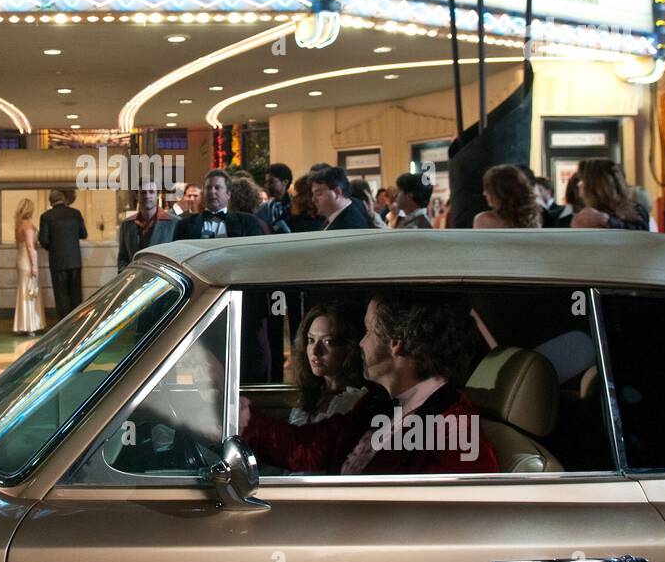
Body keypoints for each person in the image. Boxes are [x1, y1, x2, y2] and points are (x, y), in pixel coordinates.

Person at [240, 292, 498, 476]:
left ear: (396, 342)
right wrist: (244, 419)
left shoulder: (453, 431)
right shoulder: (381, 402)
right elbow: (310, 447)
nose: (361, 343)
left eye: (368, 331)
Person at [287, 303, 368, 426]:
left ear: (348, 348)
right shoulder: (311, 395)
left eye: (327, 341)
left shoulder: (356, 400)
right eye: (311, 340)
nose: (315, 351)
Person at [172, 170, 264, 240]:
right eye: (208, 188)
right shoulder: (184, 225)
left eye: (217, 188)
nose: (212, 192)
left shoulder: (247, 222)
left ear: (228, 194)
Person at [38, 189, 87, 319]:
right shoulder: (76, 213)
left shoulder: (46, 216)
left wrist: (54, 249)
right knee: (76, 295)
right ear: (64, 199)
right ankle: (78, 323)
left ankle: (64, 326)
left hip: (57, 261)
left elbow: (43, 240)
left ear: (50, 201)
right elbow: (84, 234)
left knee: (61, 297)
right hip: (75, 260)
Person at [569, 159, 649, 230]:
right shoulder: (582, 213)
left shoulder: (636, 210)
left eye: (583, 180)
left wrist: (607, 220)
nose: (579, 184)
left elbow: (642, 236)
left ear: (598, 185)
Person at [117, 183, 177, 271]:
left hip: (163, 280)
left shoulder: (174, 223)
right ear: (136, 195)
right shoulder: (127, 224)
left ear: (158, 194)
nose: (147, 196)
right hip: (134, 280)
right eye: (143, 193)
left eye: (151, 192)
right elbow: (123, 258)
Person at [13, 198, 45, 335]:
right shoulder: (28, 225)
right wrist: (34, 266)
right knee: (30, 292)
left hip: (20, 258)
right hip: (27, 260)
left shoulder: (18, 225)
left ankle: (23, 324)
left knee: (24, 291)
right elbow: (31, 246)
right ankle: (30, 326)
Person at [474, 164, 542, 229]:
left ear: (502, 192)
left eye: (488, 189)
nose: (484, 193)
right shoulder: (532, 216)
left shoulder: (483, 220)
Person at [310, 165, 371, 231]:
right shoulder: (335, 216)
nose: (313, 200)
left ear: (337, 192)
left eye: (319, 194)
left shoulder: (349, 226)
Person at [257, 163, 293, 234]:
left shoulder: (296, 206)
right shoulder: (263, 210)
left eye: (271, 182)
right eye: (266, 182)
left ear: (285, 182)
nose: (267, 186)